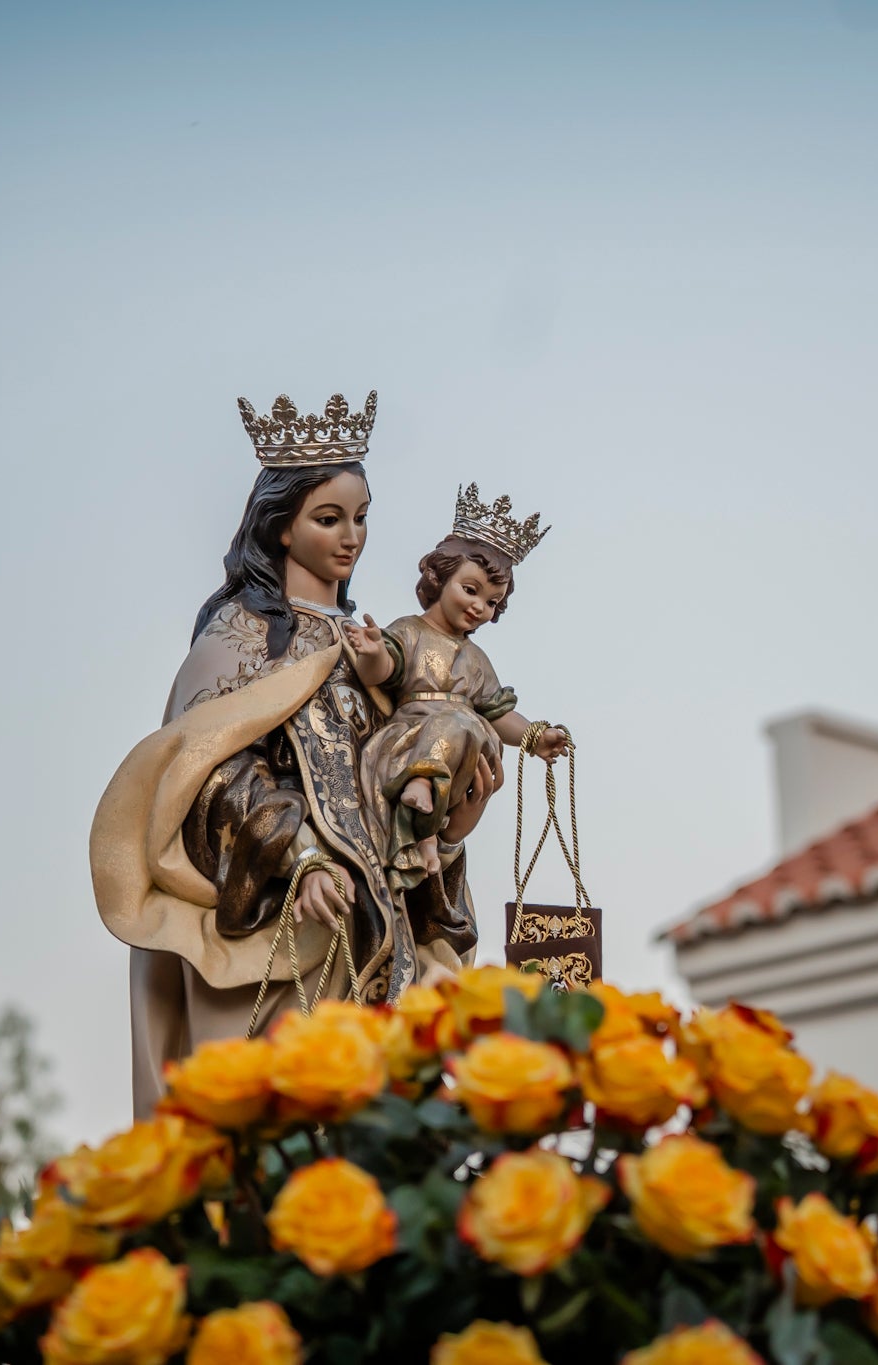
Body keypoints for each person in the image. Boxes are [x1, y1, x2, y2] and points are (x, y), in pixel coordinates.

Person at [89, 392, 498, 1117]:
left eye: (361, 517)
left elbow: (392, 790)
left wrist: (449, 825)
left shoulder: (373, 651)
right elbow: (204, 778)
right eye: (329, 518)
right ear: (281, 526)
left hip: (378, 939)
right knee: (277, 1130)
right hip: (282, 933)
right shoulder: (238, 640)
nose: (352, 538)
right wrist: (301, 854)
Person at [344, 485, 568, 885]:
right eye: (470, 590)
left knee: (472, 727)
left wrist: (535, 737)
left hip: (463, 751)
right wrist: (374, 651)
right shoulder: (410, 631)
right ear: (439, 578)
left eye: (493, 602)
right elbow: (382, 672)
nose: (480, 607)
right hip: (411, 737)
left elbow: (496, 712)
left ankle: (430, 829)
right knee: (460, 723)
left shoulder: (477, 660)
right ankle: (420, 796)